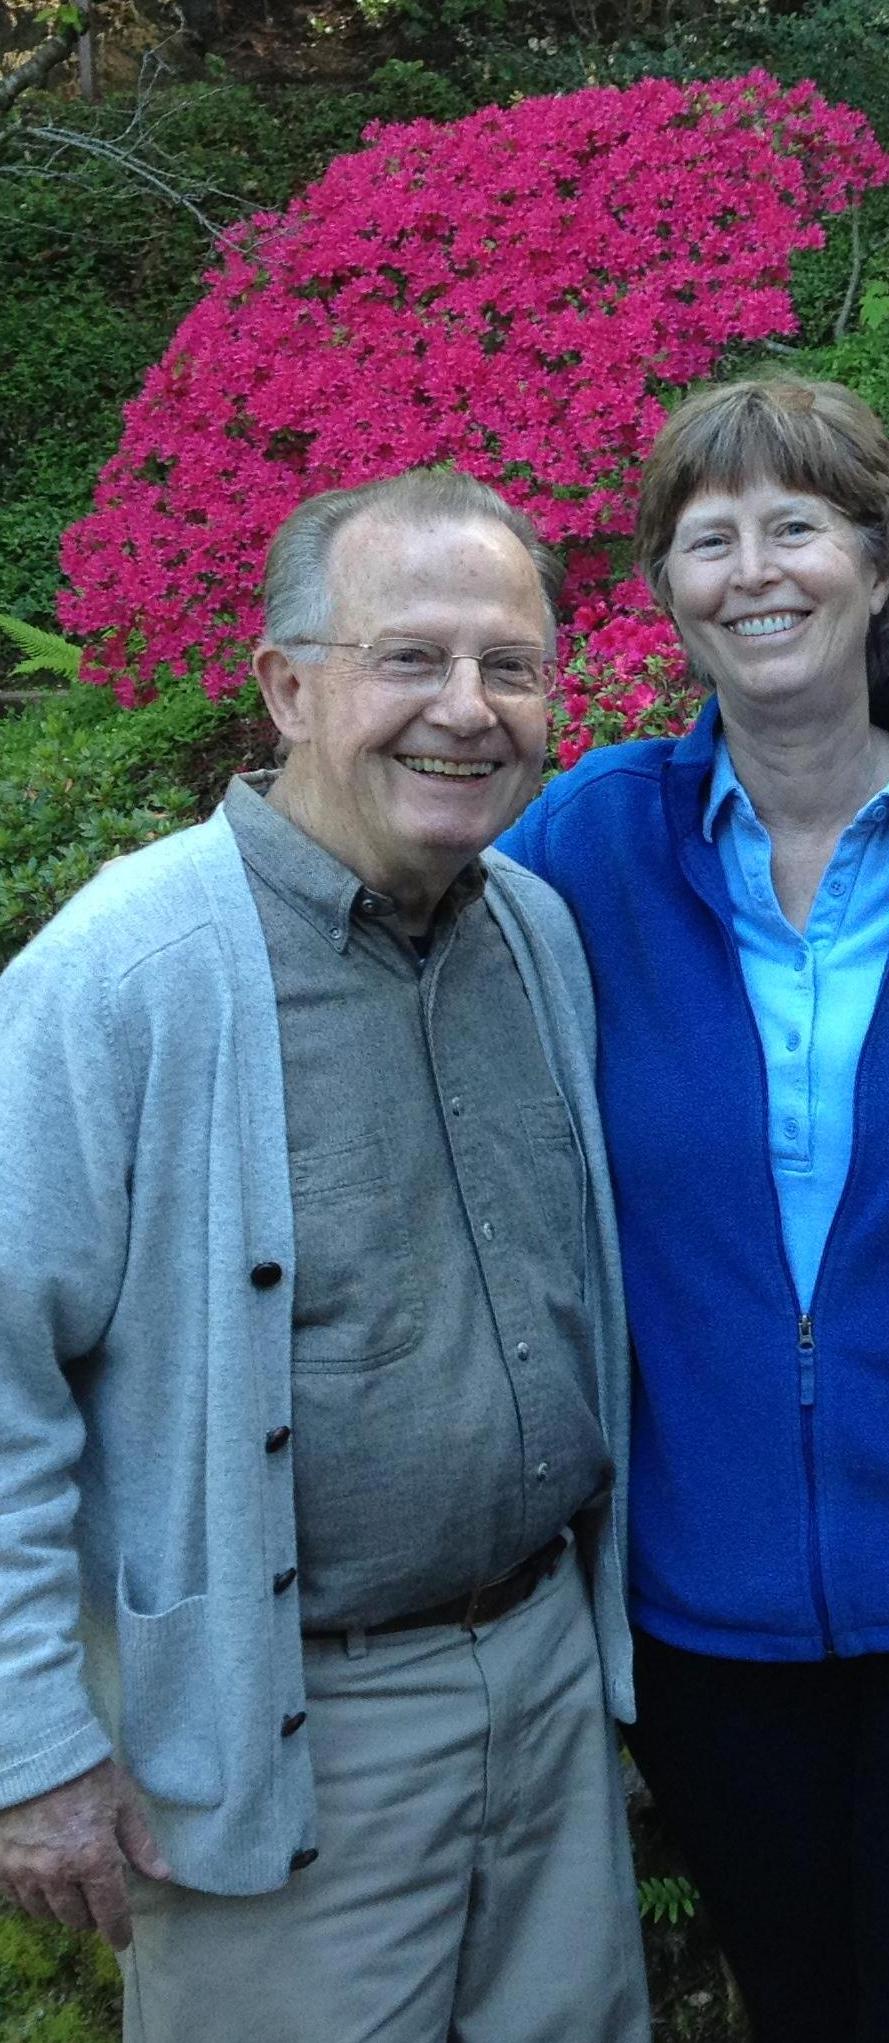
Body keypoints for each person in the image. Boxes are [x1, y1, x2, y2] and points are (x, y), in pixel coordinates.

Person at [0, 469, 648, 2041]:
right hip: (278, 1718)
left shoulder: (535, 935)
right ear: (289, 688)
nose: (468, 709)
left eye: (511, 665)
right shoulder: (130, 973)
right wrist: (31, 1754)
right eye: (409, 658)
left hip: (545, 1680)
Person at [497, 376, 889, 2043]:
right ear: (669, 591)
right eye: (708, 539)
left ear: (886, 566)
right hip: (710, 1616)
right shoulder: (588, 845)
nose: (754, 570)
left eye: (796, 526)